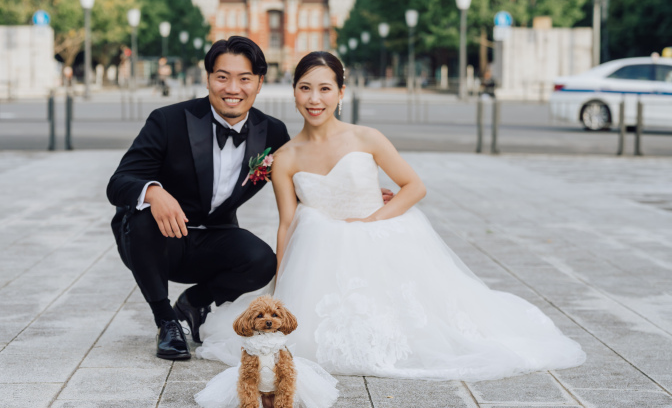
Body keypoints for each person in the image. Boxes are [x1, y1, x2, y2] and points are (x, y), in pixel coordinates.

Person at [197, 52, 586, 380]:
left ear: (341, 93)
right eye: (305, 88)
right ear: (294, 92)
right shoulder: (285, 157)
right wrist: (281, 287)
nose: (314, 99)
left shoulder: (366, 137)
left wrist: (372, 221)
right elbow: (287, 223)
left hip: (381, 236)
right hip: (320, 251)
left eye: (325, 89)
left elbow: (414, 186)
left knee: (426, 325)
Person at [106, 36, 290, 360]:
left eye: (244, 79)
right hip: (158, 241)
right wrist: (154, 192)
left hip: (215, 237)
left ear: (260, 83)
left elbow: (302, 180)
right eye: (222, 77)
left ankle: (193, 302)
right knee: (143, 216)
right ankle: (166, 321)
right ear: (207, 79)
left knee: (263, 260)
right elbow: (119, 183)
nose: (232, 88)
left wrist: (363, 193)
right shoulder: (168, 120)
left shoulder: (272, 132)